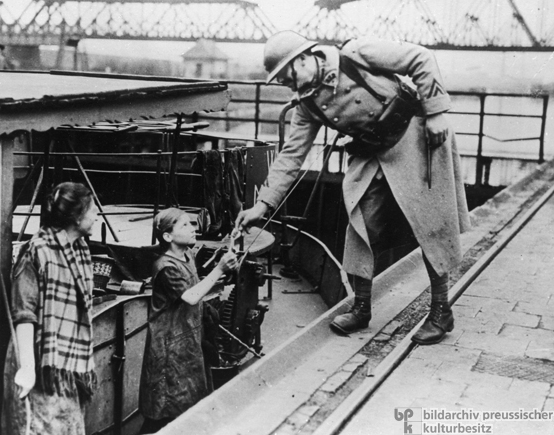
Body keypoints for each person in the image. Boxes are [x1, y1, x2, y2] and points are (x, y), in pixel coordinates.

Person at [235, 31, 470, 345]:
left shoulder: (356, 54)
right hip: (372, 150)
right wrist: (262, 206)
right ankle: (361, 308)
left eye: (287, 77)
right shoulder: (307, 105)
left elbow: (420, 57)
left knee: (430, 224)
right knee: (360, 224)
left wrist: (437, 112)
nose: (287, 85)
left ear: (304, 58)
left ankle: (441, 310)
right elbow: (291, 156)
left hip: (415, 137)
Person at [2, 182, 99, 434]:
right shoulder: (37, 251)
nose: (97, 215)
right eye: (92, 210)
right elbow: (24, 314)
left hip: (66, 370)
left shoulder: (79, 251)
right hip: (39, 364)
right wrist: (27, 368)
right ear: (77, 217)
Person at [139, 208, 239, 434]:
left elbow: (196, 286)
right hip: (168, 349)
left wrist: (225, 271)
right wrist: (220, 268)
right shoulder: (165, 266)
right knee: (162, 411)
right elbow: (191, 296)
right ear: (167, 237)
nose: (193, 229)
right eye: (184, 225)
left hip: (188, 342)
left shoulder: (188, 256)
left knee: (186, 405)